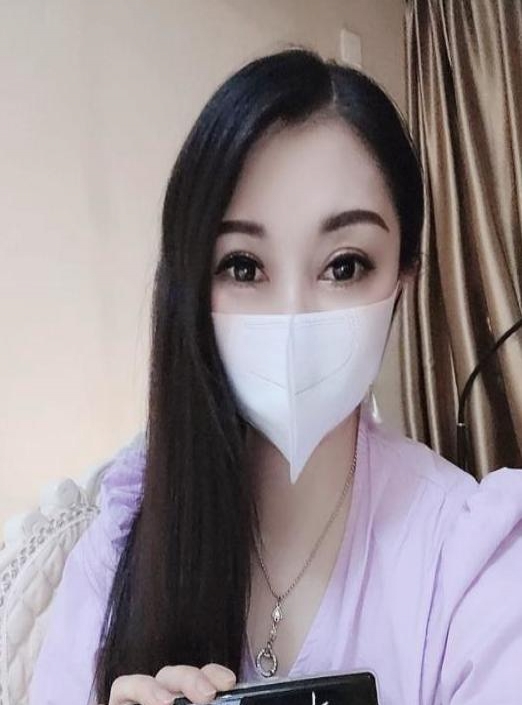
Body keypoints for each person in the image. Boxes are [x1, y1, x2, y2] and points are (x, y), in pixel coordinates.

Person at [29, 48, 522, 705]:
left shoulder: (473, 562)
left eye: (344, 265)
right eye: (243, 266)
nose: (293, 315)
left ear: (404, 273)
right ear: (191, 283)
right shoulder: (120, 545)